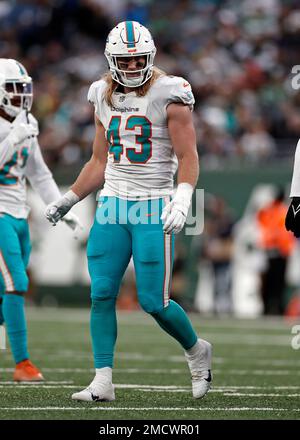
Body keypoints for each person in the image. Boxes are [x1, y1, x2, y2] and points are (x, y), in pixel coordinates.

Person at [45, 21, 212, 401]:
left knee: (155, 302)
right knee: (102, 293)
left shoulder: (171, 92)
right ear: (112, 59)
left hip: (154, 204)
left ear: (150, 57)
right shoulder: (101, 94)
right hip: (113, 205)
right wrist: (69, 197)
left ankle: (196, 350)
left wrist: (183, 197)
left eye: (139, 59)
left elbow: (189, 156)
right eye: (126, 59)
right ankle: (103, 380)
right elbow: (98, 161)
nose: (134, 67)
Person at [0, 58, 81, 381]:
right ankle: (22, 364)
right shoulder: (16, 128)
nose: (20, 95)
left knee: (6, 289)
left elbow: (40, 175)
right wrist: (12, 139)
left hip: (19, 213)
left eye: (23, 88)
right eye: (12, 89)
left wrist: (65, 209)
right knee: (16, 284)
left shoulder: (27, 122)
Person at [258, 187, 295, 314]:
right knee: (276, 283)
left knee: (272, 283)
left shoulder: (272, 211)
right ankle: (274, 308)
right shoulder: (280, 211)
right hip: (279, 252)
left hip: (275, 252)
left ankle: (272, 308)